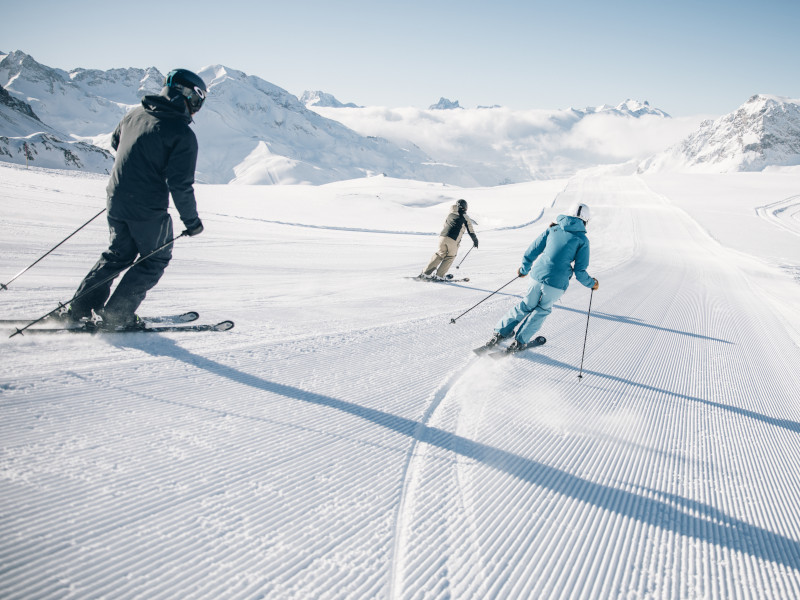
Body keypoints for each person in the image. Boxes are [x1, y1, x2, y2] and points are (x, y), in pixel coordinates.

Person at [67, 68, 207, 329]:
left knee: (117, 255)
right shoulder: (181, 133)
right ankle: (117, 315)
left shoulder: (133, 114)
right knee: (155, 258)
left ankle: (80, 309)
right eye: (198, 100)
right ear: (187, 95)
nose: (197, 108)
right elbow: (181, 185)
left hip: (116, 197)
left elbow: (116, 142)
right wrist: (192, 221)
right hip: (148, 207)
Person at [482, 202, 599, 352]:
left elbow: (532, 251)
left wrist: (524, 269)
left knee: (526, 305)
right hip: (556, 283)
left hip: (537, 275)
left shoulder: (553, 229)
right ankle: (520, 341)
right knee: (542, 309)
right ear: (585, 221)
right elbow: (580, 271)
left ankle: (499, 333)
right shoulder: (582, 240)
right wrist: (592, 284)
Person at [419, 199, 479, 280]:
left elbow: (445, 225)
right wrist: (475, 241)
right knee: (450, 256)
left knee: (440, 254)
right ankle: (440, 276)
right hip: (453, 239)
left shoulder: (450, 214)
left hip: (442, 237)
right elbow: (471, 231)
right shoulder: (465, 217)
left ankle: (426, 273)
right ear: (465, 207)